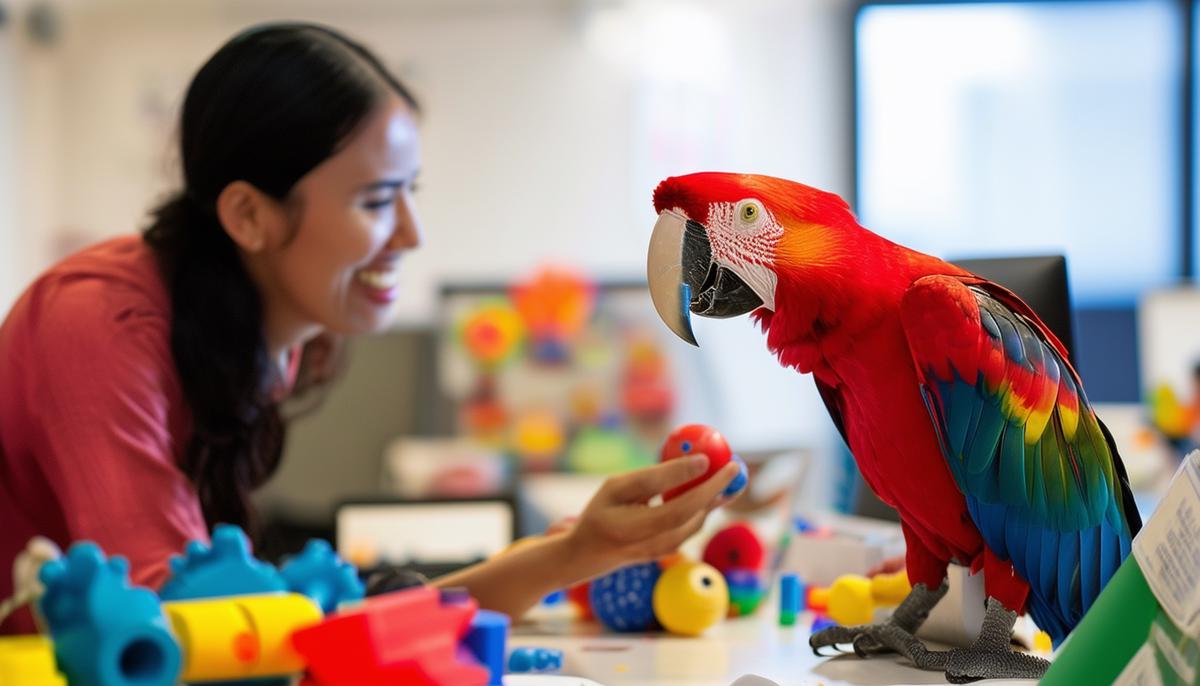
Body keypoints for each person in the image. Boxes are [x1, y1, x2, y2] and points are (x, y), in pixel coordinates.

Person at [0, 22, 737, 634]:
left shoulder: (272, 332)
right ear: (249, 215)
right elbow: (189, 627)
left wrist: (577, 552)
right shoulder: (98, 326)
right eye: (378, 200)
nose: (411, 234)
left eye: (409, 192)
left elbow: (241, 628)